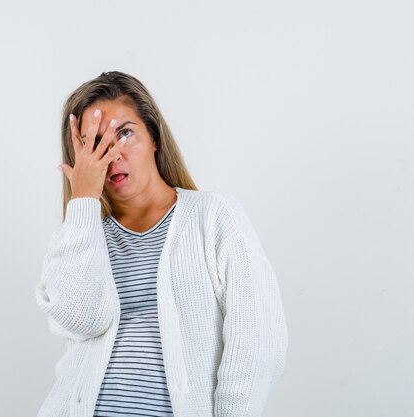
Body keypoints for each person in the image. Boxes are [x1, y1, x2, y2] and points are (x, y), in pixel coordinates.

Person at [34, 71, 288, 417]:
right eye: (93, 144)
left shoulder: (213, 217)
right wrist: (82, 202)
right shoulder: (76, 238)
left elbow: (256, 344)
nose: (111, 155)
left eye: (124, 133)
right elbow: (82, 320)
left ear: (154, 136)